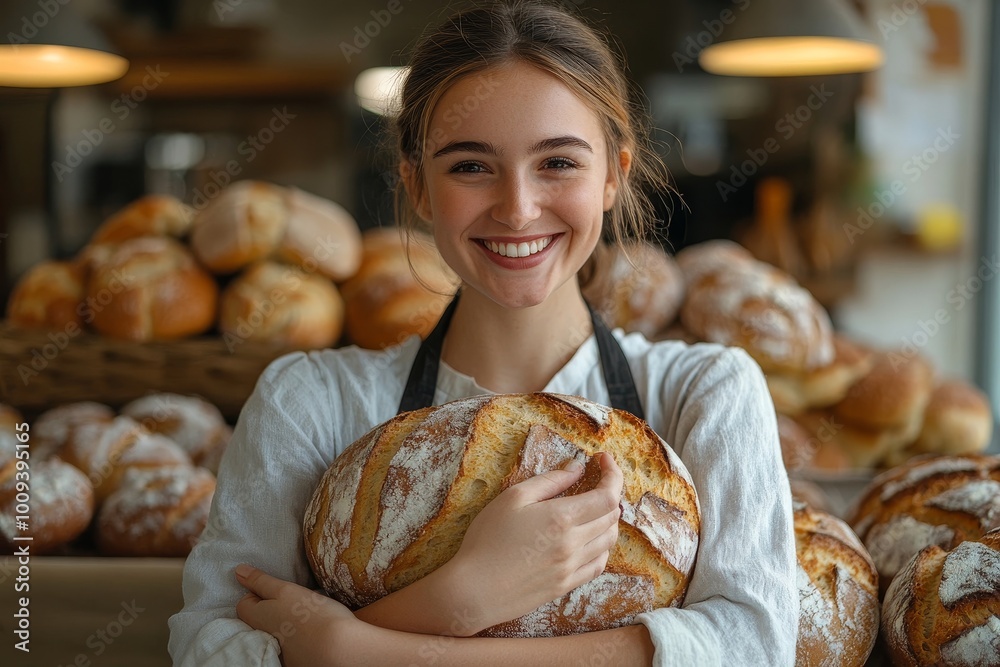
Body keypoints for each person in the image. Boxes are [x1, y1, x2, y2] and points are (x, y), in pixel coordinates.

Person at [168, 2, 797, 665]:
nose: (518, 207)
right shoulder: (311, 403)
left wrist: (355, 645)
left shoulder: (704, 393)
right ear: (418, 185)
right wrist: (457, 598)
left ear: (613, 174)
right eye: (471, 166)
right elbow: (212, 649)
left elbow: (754, 645)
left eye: (557, 163)